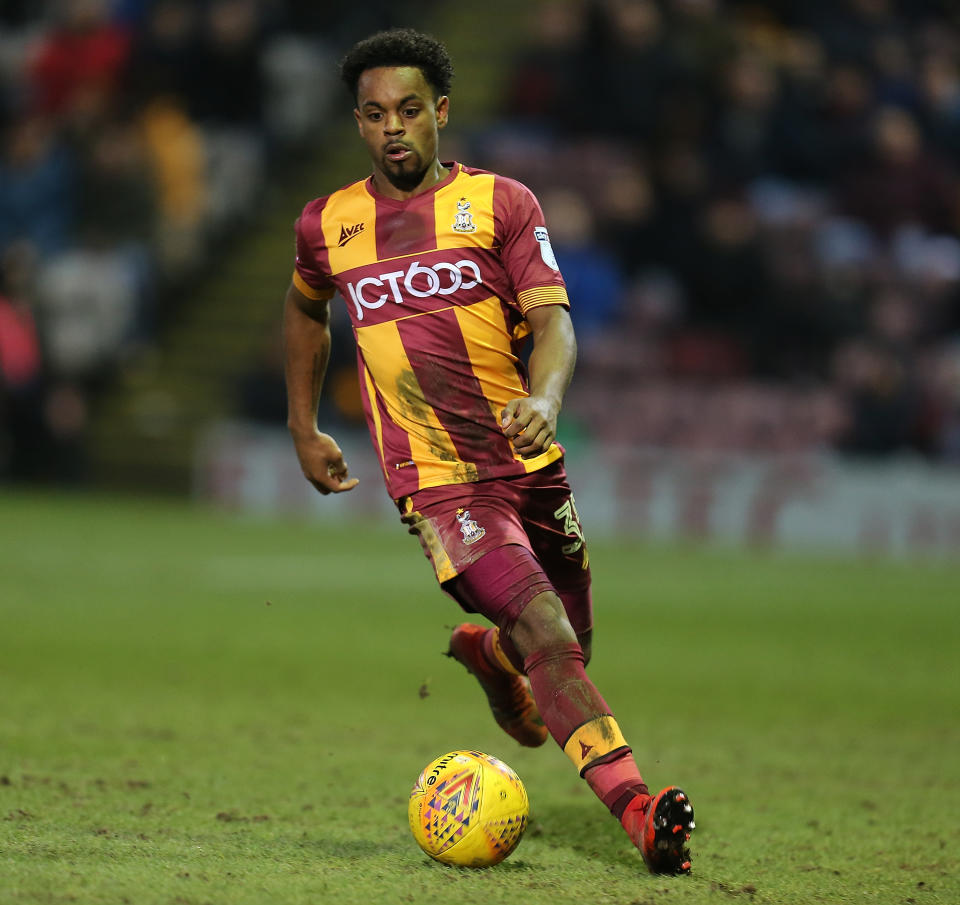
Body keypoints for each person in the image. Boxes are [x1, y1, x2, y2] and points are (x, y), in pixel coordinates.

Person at [282, 27, 694, 874]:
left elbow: (553, 322)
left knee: (563, 649)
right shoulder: (328, 223)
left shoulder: (503, 204)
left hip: (531, 468)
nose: (391, 128)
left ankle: (489, 654)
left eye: (406, 110)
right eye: (371, 114)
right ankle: (641, 812)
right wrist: (303, 421)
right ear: (357, 123)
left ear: (440, 112)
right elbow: (303, 306)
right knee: (549, 632)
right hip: (437, 481)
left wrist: (543, 398)